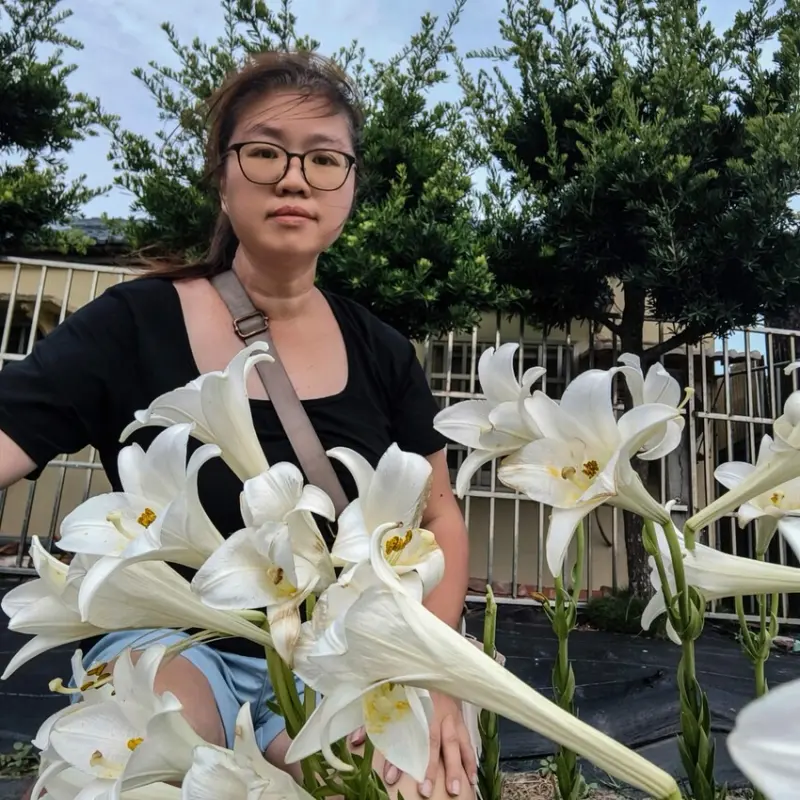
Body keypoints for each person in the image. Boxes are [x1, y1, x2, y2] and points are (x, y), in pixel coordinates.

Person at [0, 52, 475, 799]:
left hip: (344, 654)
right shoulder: (134, 323)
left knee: (416, 788)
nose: (294, 179)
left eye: (324, 159)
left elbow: (438, 514)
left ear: (350, 189)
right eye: (265, 152)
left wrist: (435, 673)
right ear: (222, 178)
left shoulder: (382, 351)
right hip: (175, 637)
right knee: (158, 771)